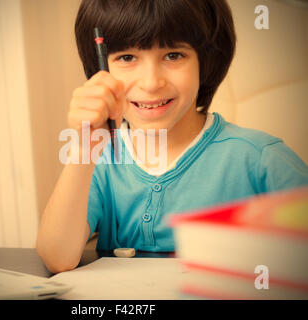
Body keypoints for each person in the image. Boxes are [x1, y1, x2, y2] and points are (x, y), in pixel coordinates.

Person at [36, 0, 308, 273]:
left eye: (173, 55)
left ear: (206, 60)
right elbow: (57, 258)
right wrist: (84, 149)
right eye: (127, 58)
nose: (151, 83)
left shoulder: (260, 158)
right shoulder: (100, 160)